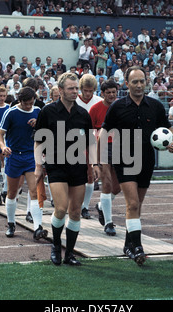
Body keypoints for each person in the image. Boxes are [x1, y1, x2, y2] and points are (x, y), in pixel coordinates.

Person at [98, 66, 173, 265]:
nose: (139, 85)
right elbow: (103, 132)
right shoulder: (117, 106)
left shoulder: (155, 105)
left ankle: (128, 245)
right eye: (135, 82)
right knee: (132, 204)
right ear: (127, 84)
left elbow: (167, 128)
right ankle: (138, 247)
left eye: (142, 81)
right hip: (124, 158)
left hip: (147, 159)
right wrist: (99, 161)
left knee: (137, 207)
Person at [34, 72, 95, 266]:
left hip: (78, 167)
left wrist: (92, 166)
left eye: (77, 88)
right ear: (60, 90)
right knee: (61, 208)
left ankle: (69, 253)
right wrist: (38, 165)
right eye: (71, 88)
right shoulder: (47, 111)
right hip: (56, 165)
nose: (75, 91)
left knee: (75, 212)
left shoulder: (83, 114)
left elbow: (90, 143)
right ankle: (55, 246)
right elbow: (38, 141)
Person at [0, 87, 47, 239]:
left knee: (34, 191)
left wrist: (39, 123)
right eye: (26, 104)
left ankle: (38, 227)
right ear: (20, 101)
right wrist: (3, 147)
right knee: (12, 193)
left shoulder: (38, 111)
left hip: (32, 156)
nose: (29, 106)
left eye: (31, 103)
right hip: (14, 156)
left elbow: (47, 130)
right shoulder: (11, 112)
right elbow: (0, 135)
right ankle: (11, 223)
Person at [89, 79, 121, 236]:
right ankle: (109, 223)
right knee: (106, 184)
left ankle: (102, 206)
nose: (111, 95)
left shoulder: (122, 107)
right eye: (108, 92)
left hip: (121, 147)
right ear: (102, 94)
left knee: (118, 187)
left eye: (113, 92)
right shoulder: (95, 109)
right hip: (102, 148)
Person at [75, 74, 103, 219]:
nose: (88, 94)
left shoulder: (99, 101)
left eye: (90, 91)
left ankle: (85, 206)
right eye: (85, 90)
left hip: (92, 142)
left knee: (90, 175)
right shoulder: (74, 101)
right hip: (74, 141)